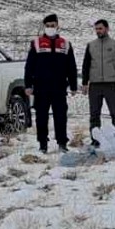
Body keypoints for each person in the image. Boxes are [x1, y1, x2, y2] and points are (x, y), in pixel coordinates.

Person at [25, 14, 78, 153]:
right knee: (41, 117)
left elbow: (71, 66)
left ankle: (62, 143)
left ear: (57, 26)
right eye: (47, 26)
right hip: (41, 88)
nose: (50, 28)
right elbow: (29, 66)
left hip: (59, 88)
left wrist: (73, 86)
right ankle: (43, 144)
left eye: (52, 25)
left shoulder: (65, 44)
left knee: (61, 117)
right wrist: (28, 85)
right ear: (44, 27)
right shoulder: (36, 43)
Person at [81, 18, 115, 144]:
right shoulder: (91, 45)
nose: (98, 31)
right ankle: (95, 141)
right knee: (94, 115)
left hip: (111, 85)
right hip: (95, 85)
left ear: (107, 29)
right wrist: (85, 83)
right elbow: (85, 65)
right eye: (96, 29)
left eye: (100, 28)